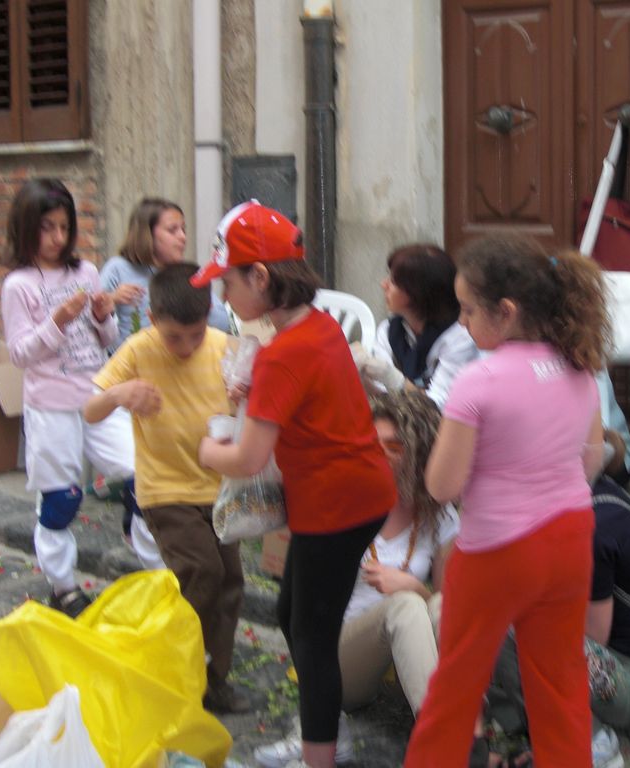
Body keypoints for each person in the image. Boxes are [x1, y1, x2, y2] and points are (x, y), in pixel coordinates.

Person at [196, 201, 397, 768]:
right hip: (354, 495)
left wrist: (204, 448)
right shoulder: (318, 325)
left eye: (228, 282)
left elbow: (246, 458)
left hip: (336, 507)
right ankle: (324, 732)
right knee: (294, 617)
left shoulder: (282, 353)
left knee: (310, 634)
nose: (223, 295)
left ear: (260, 277)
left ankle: (320, 754)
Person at [403, 235, 608, 768]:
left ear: (506, 312)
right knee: (560, 683)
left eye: (469, 310)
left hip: (497, 550)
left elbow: (442, 486)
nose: (462, 322)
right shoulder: (580, 367)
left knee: (456, 687)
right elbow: (590, 461)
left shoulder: (479, 381)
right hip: (569, 537)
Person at [253, 389, 459, 768]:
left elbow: (448, 607)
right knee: (403, 606)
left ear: (419, 453)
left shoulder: (439, 516)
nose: (380, 454)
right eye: (373, 444)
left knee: (439, 604)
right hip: (343, 660)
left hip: (407, 663)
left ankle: (460, 726)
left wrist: (414, 585)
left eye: (394, 447)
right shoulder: (343, 501)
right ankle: (446, 745)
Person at [84, 262, 248, 713]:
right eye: (174, 337)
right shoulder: (138, 349)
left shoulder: (225, 347)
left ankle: (211, 681)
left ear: (208, 316)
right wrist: (120, 395)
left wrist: (245, 397)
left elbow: (248, 405)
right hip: (165, 492)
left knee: (231, 582)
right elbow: (90, 411)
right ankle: (170, 665)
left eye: (195, 335)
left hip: (220, 492)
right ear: (153, 319)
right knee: (203, 573)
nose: (186, 346)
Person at [0, 178, 143, 618]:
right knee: (62, 499)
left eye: (64, 227)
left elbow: (106, 338)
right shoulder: (18, 285)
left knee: (143, 475)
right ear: (27, 228)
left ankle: (155, 569)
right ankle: (63, 588)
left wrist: (101, 316)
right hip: (50, 407)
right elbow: (20, 354)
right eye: (47, 228)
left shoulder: (86, 273)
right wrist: (57, 321)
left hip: (97, 396)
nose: (58, 238)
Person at [487, 474, 630, 768]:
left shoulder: (593, 528)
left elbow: (593, 635)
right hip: (609, 658)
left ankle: (594, 744)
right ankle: (542, 734)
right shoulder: (574, 499)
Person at [355, 243, 478, 409]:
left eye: (393, 281)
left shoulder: (459, 336)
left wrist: (395, 380)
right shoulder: (388, 330)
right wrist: (361, 378)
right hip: (399, 417)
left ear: (417, 292)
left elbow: (439, 404)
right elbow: (384, 396)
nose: (384, 285)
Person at [100, 197, 230, 350]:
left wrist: (192, 301)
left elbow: (222, 323)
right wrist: (112, 299)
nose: (183, 237)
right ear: (147, 234)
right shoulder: (118, 268)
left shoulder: (184, 275)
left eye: (183, 229)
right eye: (172, 230)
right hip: (129, 361)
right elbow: (89, 320)